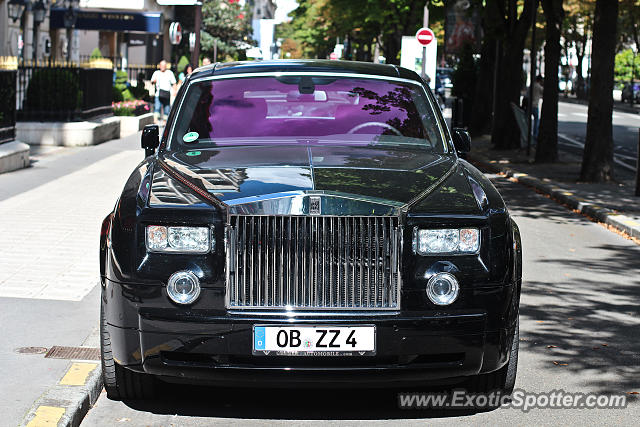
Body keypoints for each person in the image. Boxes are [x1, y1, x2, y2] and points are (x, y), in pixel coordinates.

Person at [151, 60, 176, 124]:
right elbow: (152, 82)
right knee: (157, 107)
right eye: (161, 65)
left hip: (167, 93)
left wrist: (174, 91)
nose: (162, 67)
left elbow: (174, 83)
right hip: (158, 94)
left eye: (164, 65)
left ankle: (165, 122)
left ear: (166, 66)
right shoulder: (156, 73)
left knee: (166, 108)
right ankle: (156, 121)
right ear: (159, 66)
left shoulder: (170, 73)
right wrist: (154, 81)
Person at [531, 75, 544, 140]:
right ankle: (535, 134)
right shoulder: (539, 87)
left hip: (529, 105)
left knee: (526, 120)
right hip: (535, 105)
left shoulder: (531, 85)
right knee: (536, 121)